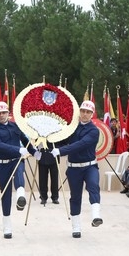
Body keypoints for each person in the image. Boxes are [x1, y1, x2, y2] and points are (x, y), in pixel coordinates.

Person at [51, 100, 101, 238]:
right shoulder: (72, 127)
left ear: (92, 114)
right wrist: (48, 138)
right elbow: (61, 140)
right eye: (83, 111)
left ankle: (96, 216)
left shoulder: (94, 131)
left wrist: (61, 151)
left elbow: (81, 144)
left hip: (90, 166)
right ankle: (76, 226)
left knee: (93, 186)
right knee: (75, 197)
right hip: (74, 169)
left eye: (88, 112)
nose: (85, 114)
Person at [0, 101, 36, 238]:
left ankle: (21, 196)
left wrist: (34, 152)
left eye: (4, 112)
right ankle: (7, 226)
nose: (1, 115)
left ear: (8, 113)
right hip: (2, 164)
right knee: (6, 194)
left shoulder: (16, 126)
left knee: (20, 172)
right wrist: (18, 149)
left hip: (17, 160)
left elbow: (25, 140)